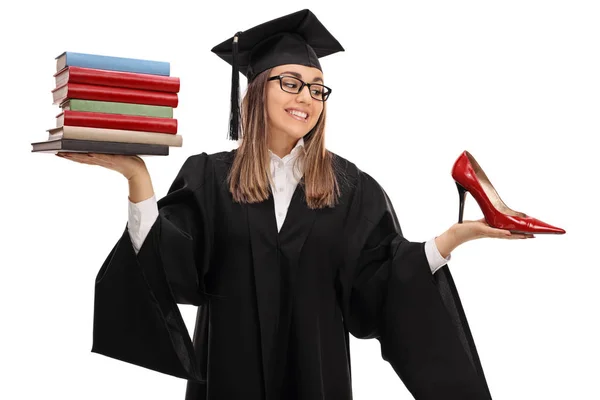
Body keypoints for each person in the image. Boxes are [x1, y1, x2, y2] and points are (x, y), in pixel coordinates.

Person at [56, 9, 534, 400]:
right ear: (256, 88)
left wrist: (452, 238)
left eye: (316, 87)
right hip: (227, 381)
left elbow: (379, 285)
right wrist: (137, 178)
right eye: (290, 82)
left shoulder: (352, 187)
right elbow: (169, 266)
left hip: (317, 383)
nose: (306, 97)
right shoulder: (208, 176)